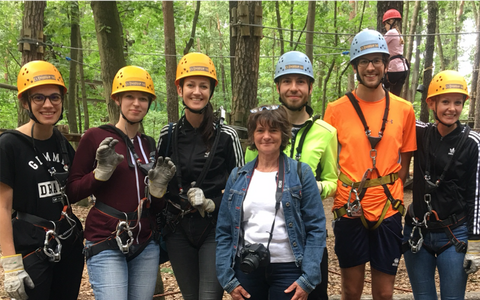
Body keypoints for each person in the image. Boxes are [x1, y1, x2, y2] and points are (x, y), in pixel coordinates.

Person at [67, 65, 175, 300]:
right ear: (117, 99)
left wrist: (158, 192)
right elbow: (72, 191)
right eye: (130, 97)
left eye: (143, 98)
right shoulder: (96, 137)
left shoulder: (148, 144)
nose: (136, 103)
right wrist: (99, 174)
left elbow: (156, 208)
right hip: (106, 238)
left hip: (145, 241)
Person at [323, 29, 417, 300]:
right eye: (364, 61)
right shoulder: (336, 109)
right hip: (349, 207)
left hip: (387, 209)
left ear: (386, 65)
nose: (371, 67)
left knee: (384, 293)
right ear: (355, 66)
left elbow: (404, 161)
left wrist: (385, 191)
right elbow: (329, 160)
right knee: (351, 290)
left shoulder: (404, 110)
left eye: (377, 60)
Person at [245, 50, 337, 300]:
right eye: (287, 81)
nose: (293, 88)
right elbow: (246, 179)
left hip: (308, 239)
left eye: (300, 82)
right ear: (278, 87)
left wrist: (314, 187)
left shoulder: (326, 132)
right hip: (264, 245)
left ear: (309, 87)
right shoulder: (262, 131)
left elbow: (334, 181)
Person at [156, 52, 244, 300]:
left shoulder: (227, 136)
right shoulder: (169, 133)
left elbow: (241, 188)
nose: (197, 92)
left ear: (211, 91)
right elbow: (157, 180)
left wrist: (213, 201)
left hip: (214, 229)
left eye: (203, 86)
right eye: (190, 85)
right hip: (178, 229)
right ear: (179, 89)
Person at [216, 105, 326, 300]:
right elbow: (224, 230)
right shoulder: (238, 176)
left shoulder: (301, 173)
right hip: (248, 266)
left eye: (273, 130)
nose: (266, 136)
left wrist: (307, 278)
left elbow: (316, 227)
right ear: (253, 135)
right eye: (260, 130)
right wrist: (228, 279)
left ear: (283, 134)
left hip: (290, 267)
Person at [0, 60, 84, 300]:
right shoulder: (10, 145)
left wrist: (101, 173)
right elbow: (2, 207)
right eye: (39, 98)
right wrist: (11, 264)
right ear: (26, 102)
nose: (48, 105)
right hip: (31, 247)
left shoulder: (62, 143)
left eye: (54, 98)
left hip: (67, 243)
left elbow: (74, 189)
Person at [403, 70, 480, 299]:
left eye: (458, 102)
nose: (452, 108)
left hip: (454, 233)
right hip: (417, 231)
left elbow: (477, 197)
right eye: (445, 101)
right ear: (431, 103)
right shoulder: (420, 133)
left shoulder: (472, 143)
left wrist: (475, 244)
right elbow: (395, 117)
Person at [382, 8, 409, 97]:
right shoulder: (398, 33)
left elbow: (380, 44)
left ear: (390, 22)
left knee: (377, 82)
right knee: (395, 96)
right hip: (403, 70)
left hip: (394, 69)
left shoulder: (391, 32)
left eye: (385, 24)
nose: (385, 27)